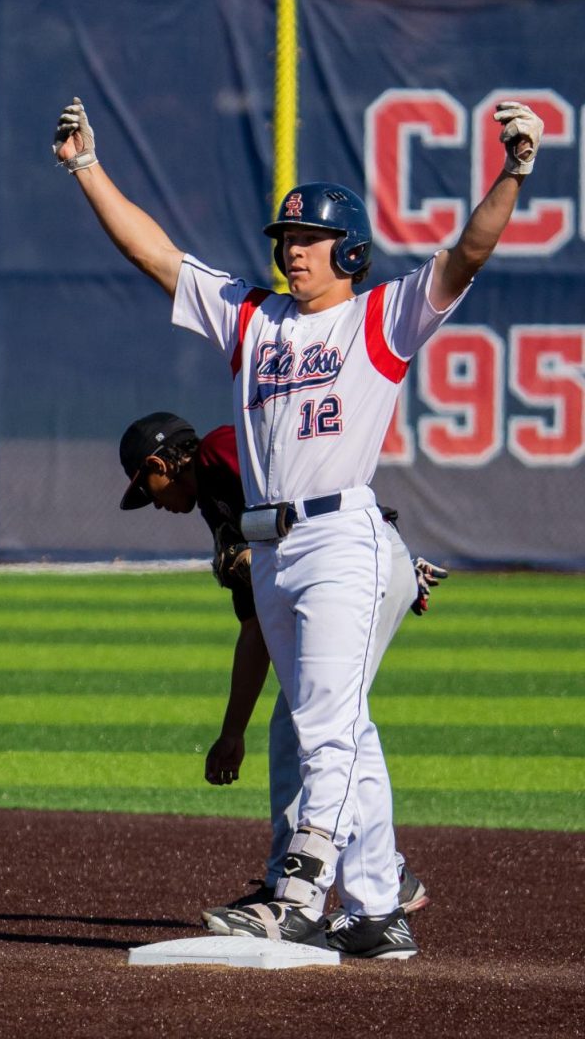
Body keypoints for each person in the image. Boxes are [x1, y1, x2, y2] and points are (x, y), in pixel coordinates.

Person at [53, 95, 543, 959]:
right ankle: (379, 905)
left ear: (347, 250)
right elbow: (152, 253)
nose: (292, 251)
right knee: (345, 726)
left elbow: (468, 253)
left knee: (321, 722)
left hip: (341, 536)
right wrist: (87, 167)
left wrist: (512, 170)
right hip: (271, 546)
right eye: (284, 240)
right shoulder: (253, 318)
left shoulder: (379, 318)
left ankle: (300, 891)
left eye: (307, 240)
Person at [117, 409, 446, 919]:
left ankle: (352, 880)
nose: (153, 502)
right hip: (360, 568)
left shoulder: (222, 448)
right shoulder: (218, 508)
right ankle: (366, 878)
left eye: (148, 486)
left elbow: (310, 491)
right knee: (310, 720)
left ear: (162, 462)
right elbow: (257, 632)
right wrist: (232, 734)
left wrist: (387, 555)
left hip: (355, 570)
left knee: (318, 722)